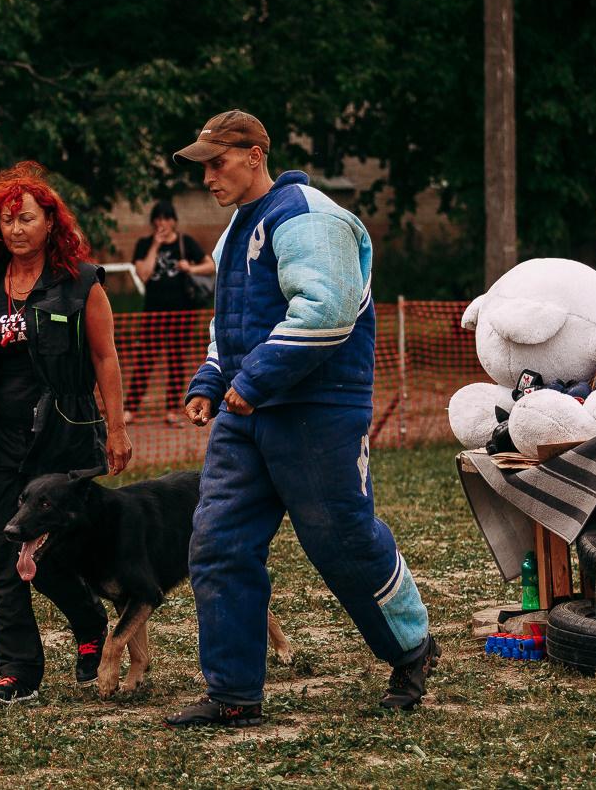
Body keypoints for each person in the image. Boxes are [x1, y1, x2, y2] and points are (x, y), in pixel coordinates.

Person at [163, 110, 437, 729]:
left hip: (316, 409)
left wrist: (249, 381)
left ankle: (412, 648)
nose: (207, 175)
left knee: (341, 540)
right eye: (202, 164)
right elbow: (229, 324)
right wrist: (213, 380)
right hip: (247, 408)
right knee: (217, 544)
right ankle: (233, 692)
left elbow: (328, 312)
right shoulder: (237, 229)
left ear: (256, 154)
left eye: (217, 160)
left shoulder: (307, 215)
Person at [0, 161, 133, 706]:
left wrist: (116, 428)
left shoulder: (81, 284)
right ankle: (18, 674)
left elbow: (105, 357)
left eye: (26, 219)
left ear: (51, 222)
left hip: (59, 444)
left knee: (53, 561)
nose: (16, 230)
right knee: (5, 560)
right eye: (6, 221)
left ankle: (90, 623)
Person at [124, 201, 215, 425]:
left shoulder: (185, 242)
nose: (162, 223)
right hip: (154, 313)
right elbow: (143, 274)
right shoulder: (145, 243)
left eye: (167, 218)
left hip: (182, 313)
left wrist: (190, 268)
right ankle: (129, 409)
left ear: (174, 221)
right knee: (145, 359)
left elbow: (211, 265)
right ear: (153, 222)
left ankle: (172, 411)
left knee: (176, 360)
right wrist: (155, 245)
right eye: (158, 219)